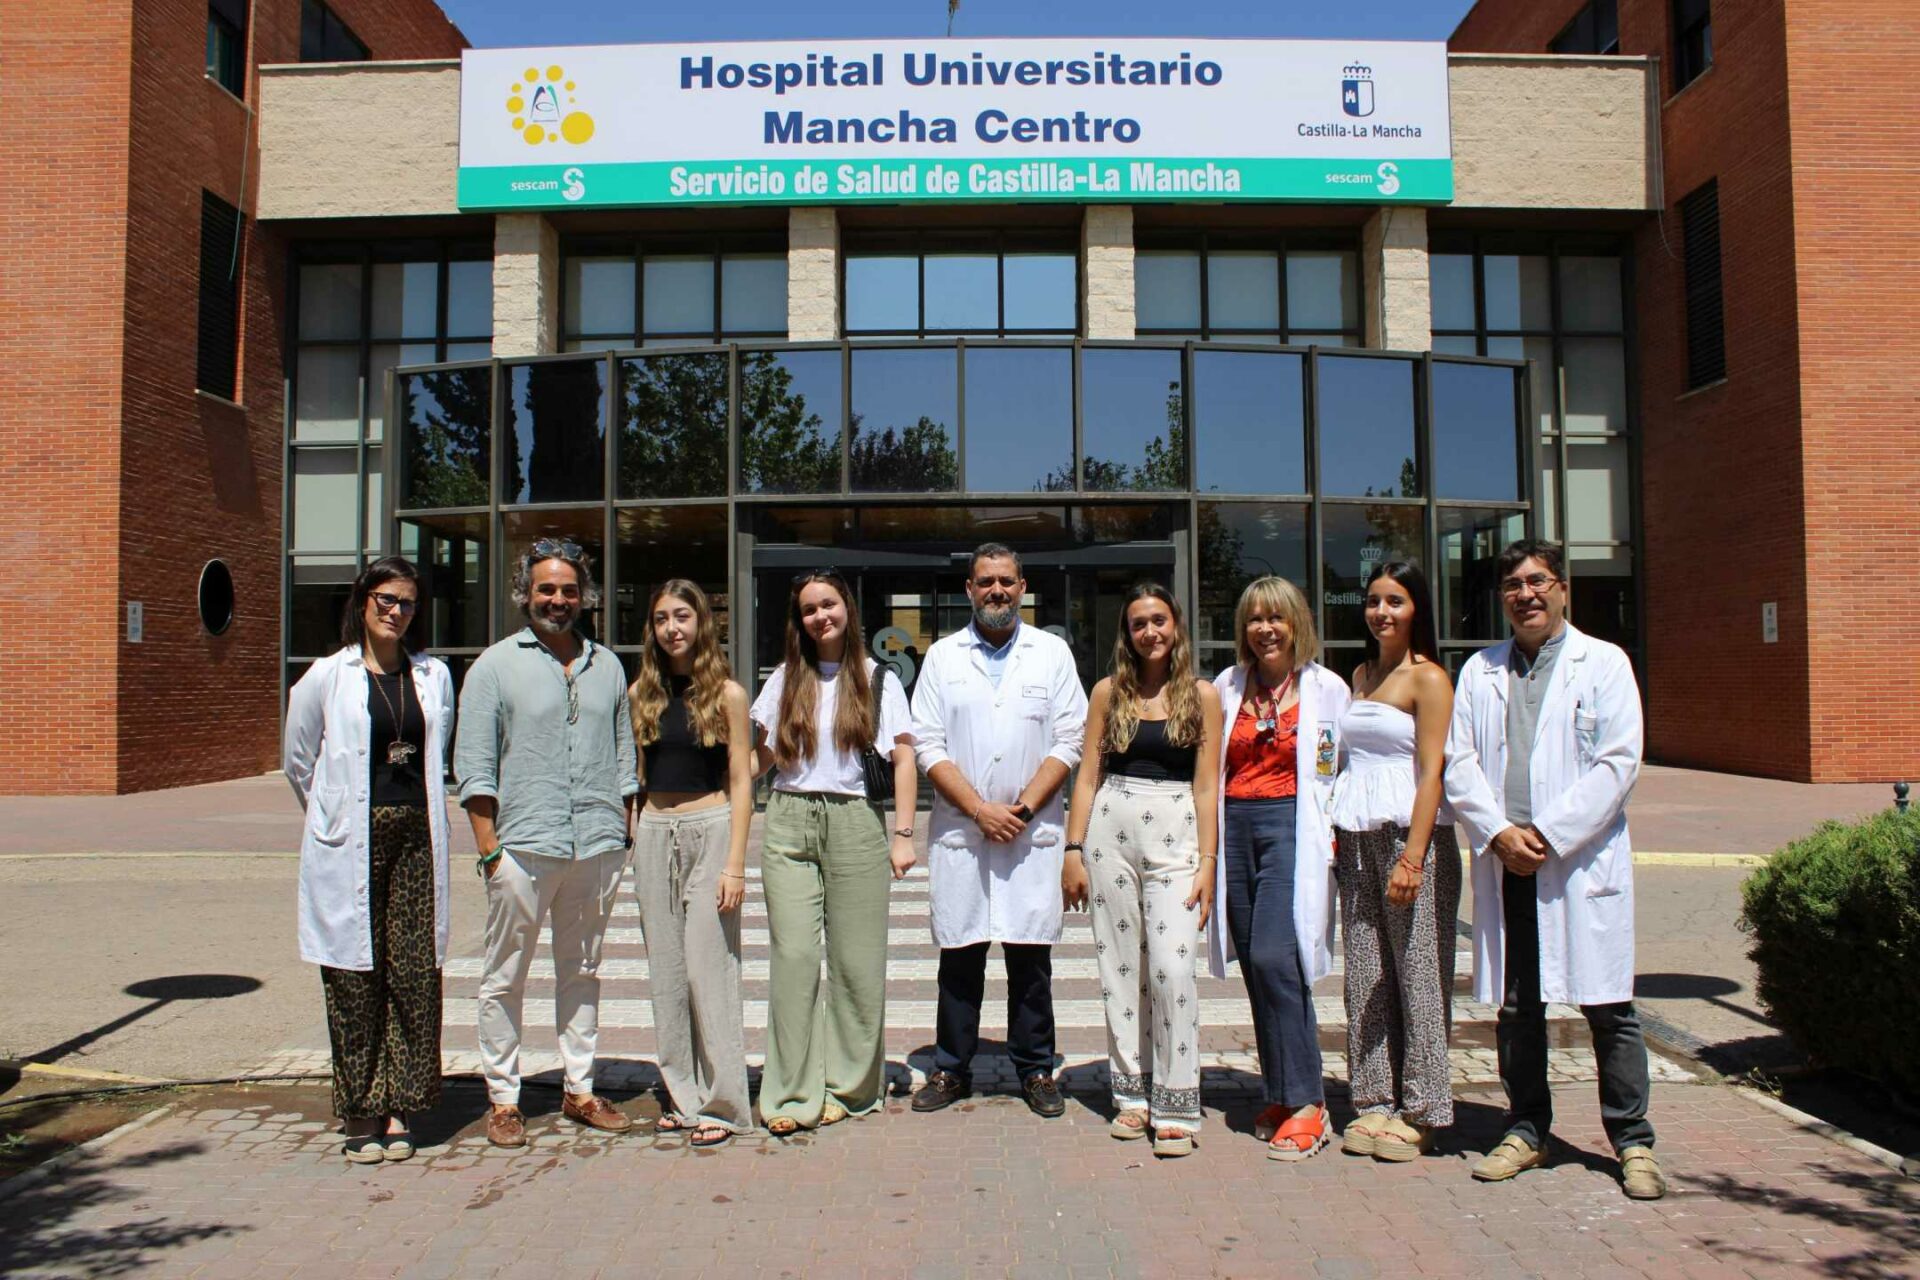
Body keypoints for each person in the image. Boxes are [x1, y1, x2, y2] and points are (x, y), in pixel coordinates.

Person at [1446, 540, 1665, 1200]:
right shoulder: (1480, 670)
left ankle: (1633, 1142)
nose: (1525, 594)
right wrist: (1497, 834)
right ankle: (1526, 1127)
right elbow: (1460, 764)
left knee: (1607, 1005)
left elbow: (1619, 763)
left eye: (1537, 581)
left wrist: (1546, 833)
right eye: (1513, 584)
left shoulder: (1603, 664)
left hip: (1577, 862)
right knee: (1519, 1008)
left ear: (1563, 588)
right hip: (1509, 862)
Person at [455, 539, 638, 1148]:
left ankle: (580, 1089)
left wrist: (624, 833)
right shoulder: (494, 666)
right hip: (522, 847)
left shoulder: (607, 665)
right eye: (545, 589)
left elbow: (623, 757)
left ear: (583, 595)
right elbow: (474, 766)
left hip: (596, 844)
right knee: (504, 976)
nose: (557, 600)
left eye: (567, 590)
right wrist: (490, 851)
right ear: (525, 594)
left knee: (582, 972)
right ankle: (504, 1099)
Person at [909, 544, 1088, 1119]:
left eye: (1007, 582)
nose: (997, 592)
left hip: (1030, 834)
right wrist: (981, 809)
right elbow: (927, 744)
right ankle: (951, 1067)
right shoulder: (941, 657)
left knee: (1030, 959)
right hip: (964, 831)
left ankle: (1035, 1068)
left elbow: (1071, 739)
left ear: (1023, 586)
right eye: (985, 582)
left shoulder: (1051, 653)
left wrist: (1023, 811)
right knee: (959, 956)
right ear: (968, 588)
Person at [284, 557, 454, 1164]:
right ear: (362, 602)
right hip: (353, 837)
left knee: (412, 973)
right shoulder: (326, 677)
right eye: (385, 598)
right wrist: (335, 816)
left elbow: (438, 751)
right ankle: (360, 1108)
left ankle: (402, 1104)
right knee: (356, 978)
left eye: (407, 602)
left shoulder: (433, 675)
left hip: (416, 837)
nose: (395, 610)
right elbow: (297, 761)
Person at [750, 570, 918, 1137]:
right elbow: (765, 756)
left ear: (847, 607)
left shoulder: (878, 679)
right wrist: (717, 790)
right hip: (790, 819)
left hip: (855, 824)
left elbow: (902, 757)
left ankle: (849, 1088)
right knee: (794, 958)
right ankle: (792, 1091)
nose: (820, 616)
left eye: (829, 604)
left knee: (855, 964)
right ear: (798, 621)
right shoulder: (783, 678)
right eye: (808, 610)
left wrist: (902, 834)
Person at [1065, 583, 1223, 1158]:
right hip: (1112, 825)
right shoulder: (1109, 692)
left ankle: (1177, 1099)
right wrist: (1072, 849)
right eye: (1138, 624)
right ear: (1126, 633)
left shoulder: (1202, 695)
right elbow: (1087, 774)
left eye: (1159, 620)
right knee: (1120, 963)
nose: (1150, 632)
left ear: (1176, 625)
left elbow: (1208, 784)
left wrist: (1208, 862)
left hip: (1178, 828)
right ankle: (1132, 1094)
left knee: (1173, 970)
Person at [1208, 576, 1350, 1161]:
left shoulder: (1327, 690)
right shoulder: (1226, 686)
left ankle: (1310, 1103)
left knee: (1277, 955)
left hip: (1293, 826)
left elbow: (1340, 765)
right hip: (1235, 825)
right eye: (1254, 619)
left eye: (1277, 618)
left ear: (1297, 624)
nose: (1265, 629)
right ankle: (1280, 1092)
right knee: (1254, 965)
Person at [1328, 560, 1461, 1162]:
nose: (1383, 612)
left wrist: (1413, 856)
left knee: (1418, 972)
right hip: (1356, 836)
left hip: (1410, 838)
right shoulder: (1358, 673)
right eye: (1375, 600)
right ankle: (1374, 1098)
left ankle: (1425, 1107)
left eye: (1397, 601)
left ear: (1417, 609)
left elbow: (1432, 771)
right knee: (1364, 970)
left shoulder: (1428, 679)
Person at [627, 579, 754, 1148]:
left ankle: (724, 1103)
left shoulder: (728, 694)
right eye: (661, 618)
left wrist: (734, 864)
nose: (672, 628)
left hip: (711, 828)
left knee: (711, 968)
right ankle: (683, 1093)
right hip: (654, 832)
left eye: (682, 615)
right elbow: (638, 777)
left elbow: (742, 781)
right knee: (668, 975)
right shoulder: (640, 694)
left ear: (702, 622)